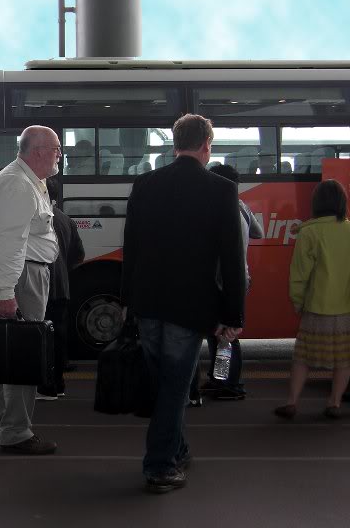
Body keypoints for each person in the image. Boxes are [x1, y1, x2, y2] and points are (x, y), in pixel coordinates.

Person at [121, 113, 246, 494]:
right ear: (206, 144)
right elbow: (231, 260)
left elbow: (132, 248)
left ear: (175, 143)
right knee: (175, 387)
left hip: (147, 302)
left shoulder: (145, 184)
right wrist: (232, 315)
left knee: (165, 383)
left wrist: (128, 302)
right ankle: (159, 467)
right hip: (189, 307)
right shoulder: (221, 190)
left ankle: (177, 448)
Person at [0, 125, 61, 455]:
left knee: (15, 348)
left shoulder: (24, 181)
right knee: (26, 352)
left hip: (20, 274)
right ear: (37, 152)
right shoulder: (18, 185)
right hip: (20, 276)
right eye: (56, 150)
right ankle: (16, 432)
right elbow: (10, 241)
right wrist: (7, 291)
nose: (58, 156)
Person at [275, 179, 350, 420]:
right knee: (343, 360)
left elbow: (299, 274)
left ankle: (292, 402)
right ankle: (334, 403)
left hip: (316, 308)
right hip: (346, 310)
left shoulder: (309, 232)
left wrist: (298, 302)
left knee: (302, 358)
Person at [189, 162, 264, 405]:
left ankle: (230, 383)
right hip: (240, 278)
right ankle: (221, 379)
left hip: (225, 281)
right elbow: (259, 233)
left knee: (226, 334)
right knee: (221, 332)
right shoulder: (241, 207)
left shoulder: (219, 208)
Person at [36, 177, 84, 401]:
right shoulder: (67, 220)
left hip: (40, 288)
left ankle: (46, 387)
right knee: (59, 337)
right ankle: (59, 384)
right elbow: (78, 256)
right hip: (62, 287)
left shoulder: (35, 219)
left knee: (41, 338)